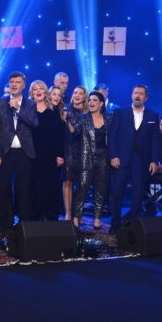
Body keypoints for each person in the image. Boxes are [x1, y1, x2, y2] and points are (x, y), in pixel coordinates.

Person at [0, 71, 38, 233]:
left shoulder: (30, 104)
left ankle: (24, 224)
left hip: (25, 153)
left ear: (23, 85)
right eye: (12, 82)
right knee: (3, 189)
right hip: (5, 152)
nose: (14, 84)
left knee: (23, 189)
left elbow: (34, 123)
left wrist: (18, 109)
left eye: (17, 82)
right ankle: (4, 223)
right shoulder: (0, 103)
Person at [108, 85, 159, 234]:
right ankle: (115, 224)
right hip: (121, 159)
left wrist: (154, 160)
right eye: (135, 93)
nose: (138, 96)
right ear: (131, 95)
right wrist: (113, 156)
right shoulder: (120, 112)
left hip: (141, 161)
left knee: (137, 194)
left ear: (146, 98)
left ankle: (134, 225)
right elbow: (112, 136)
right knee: (117, 192)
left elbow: (155, 140)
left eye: (141, 94)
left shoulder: (153, 116)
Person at [70, 91, 109, 229]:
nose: (91, 102)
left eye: (94, 100)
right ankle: (76, 216)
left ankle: (97, 217)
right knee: (82, 187)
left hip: (103, 159)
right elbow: (74, 132)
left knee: (100, 189)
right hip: (86, 158)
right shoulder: (83, 118)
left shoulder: (108, 119)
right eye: (90, 100)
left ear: (101, 104)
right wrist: (66, 121)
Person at [29, 80, 65, 221]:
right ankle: (35, 216)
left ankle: (50, 216)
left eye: (41, 89)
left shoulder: (53, 111)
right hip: (32, 154)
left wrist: (60, 155)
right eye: (35, 89)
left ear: (45, 92)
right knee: (34, 185)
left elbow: (59, 135)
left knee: (51, 186)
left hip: (50, 155)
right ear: (31, 93)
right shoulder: (28, 110)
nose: (38, 91)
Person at [62, 85, 88, 220]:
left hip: (83, 151)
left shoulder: (88, 113)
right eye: (75, 92)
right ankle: (68, 213)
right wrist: (64, 119)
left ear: (85, 97)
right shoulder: (65, 110)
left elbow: (80, 132)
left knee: (82, 184)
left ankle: (78, 212)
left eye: (80, 93)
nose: (77, 95)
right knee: (67, 182)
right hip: (68, 150)